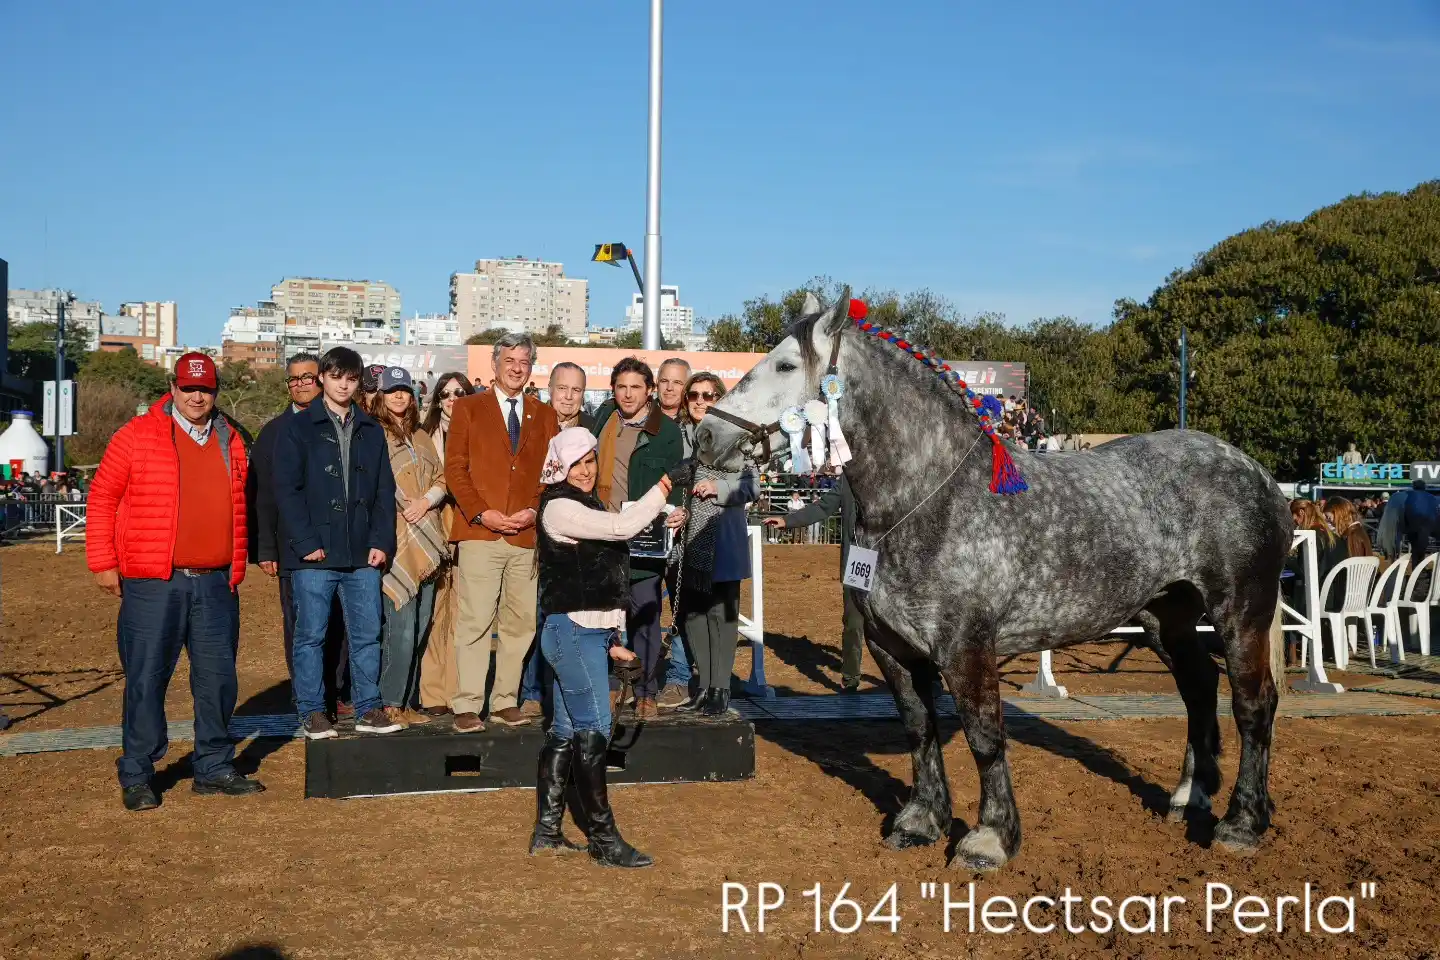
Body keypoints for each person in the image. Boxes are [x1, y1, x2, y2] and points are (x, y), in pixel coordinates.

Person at [86, 351, 263, 811]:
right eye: (188, 387)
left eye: (205, 389)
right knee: (146, 678)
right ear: (174, 386)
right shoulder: (136, 435)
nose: (196, 396)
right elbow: (103, 498)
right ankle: (139, 773)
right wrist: (103, 561)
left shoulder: (232, 438)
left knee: (218, 680)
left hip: (216, 581)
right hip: (154, 581)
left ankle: (215, 766)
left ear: (215, 390)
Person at [531, 427, 677, 868]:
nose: (586, 470)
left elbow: (599, 581)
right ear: (560, 467)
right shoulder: (559, 506)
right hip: (572, 632)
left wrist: (613, 640)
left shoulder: (582, 504)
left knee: (563, 733)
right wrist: (665, 487)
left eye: (590, 461)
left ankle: (547, 832)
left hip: (582, 633)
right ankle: (603, 839)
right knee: (593, 729)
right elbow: (621, 527)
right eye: (577, 463)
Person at [273, 347, 401, 740]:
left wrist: (381, 540)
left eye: (350, 378)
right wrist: (306, 541)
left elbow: (384, 490)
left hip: (363, 552)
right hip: (314, 555)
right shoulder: (296, 428)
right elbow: (286, 490)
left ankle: (368, 708)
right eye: (336, 376)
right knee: (311, 636)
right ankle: (312, 711)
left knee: (366, 635)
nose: (343, 384)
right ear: (322, 379)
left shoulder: (371, 429)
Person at [446, 333, 559, 732]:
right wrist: (481, 514)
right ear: (494, 364)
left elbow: (551, 473)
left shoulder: (544, 415)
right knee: (475, 620)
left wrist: (533, 509)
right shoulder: (468, 408)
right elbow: (455, 469)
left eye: (524, 361)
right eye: (509, 359)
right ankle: (467, 705)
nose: (516, 367)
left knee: (521, 622)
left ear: (531, 368)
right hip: (481, 533)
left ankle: (506, 700)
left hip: (526, 536)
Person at [249, 352, 353, 716]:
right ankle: (306, 695)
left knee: (339, 622)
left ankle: (336, 691)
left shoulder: (346, 422)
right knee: (301, 624)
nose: (300, 384)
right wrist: (265, 548)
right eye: (293, 379)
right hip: (292, 547)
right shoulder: (274, 432)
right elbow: (262, 494)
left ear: (322, 378)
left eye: (306, 377)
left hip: (341, 544)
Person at [590, 358, 687, 719]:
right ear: (613, 389)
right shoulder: (601, 422)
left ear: (649, 390)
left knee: (645, 618)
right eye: (621, 387)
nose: (628, 394)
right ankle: (611, 688)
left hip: (645, 538)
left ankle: (646, 692)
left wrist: (678, 509)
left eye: (635, 387)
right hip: (601, 534)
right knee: (602, 618)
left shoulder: (668, 431)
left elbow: (678, 478)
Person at [675, 373, 757, 715]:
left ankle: (720, 688)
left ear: (719, 399)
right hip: (685, 538)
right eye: (693, 394)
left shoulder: (738, 439)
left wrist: (719, 489)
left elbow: (751, 487)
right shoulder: (676, 435)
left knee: (722, 616)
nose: (700, 400)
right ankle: (704, 686)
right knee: (692, 615)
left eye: (708, 395)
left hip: (722, 538)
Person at [371, 366, 448, 728]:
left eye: (404, 390)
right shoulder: (374, 434)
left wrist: (428, 500)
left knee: (420, 626)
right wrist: (407, 504)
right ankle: (389, 701)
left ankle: (409, 698)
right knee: (398, 628)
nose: (399, 397)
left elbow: (441, 477)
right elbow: (377, 482)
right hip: (397, 540)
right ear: (381, 396)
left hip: (429, 537)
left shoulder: (420, 436)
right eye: (392, 391)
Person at [764, 469, 863, 692]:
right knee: (853, 621)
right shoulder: (848, 477)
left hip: (890, 559)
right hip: (859, 558)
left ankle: (927, 677)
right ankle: (851, 678)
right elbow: (822, 507)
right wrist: (787, 520)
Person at [415, 371, 475, 717]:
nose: (453, 399)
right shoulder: (424, 437)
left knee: (464, 614)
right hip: (433, 527)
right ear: (437, 399)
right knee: (435, 613)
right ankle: (432, 693)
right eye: (446, 393)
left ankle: (458, 692)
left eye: (460, 392)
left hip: (468, 528)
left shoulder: (478, 434)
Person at [1402, 479, 1438, 570]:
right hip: (1426, 526)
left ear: (1414, 486)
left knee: (1415, 548)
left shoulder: (1407, 495)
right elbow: (1435, 512)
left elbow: (1403, 511)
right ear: (1424, 487)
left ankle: (1416, 568)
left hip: (1412, 526)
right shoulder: (1431, 497)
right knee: (1421, 548)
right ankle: (1420, 568)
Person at [547, 361, 592, 431]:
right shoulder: (531, 422)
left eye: (576, 390)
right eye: (562, 388)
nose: (568, 396)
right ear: (550, 389)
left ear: (583, 393)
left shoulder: (594, 428)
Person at [655, 358, 691, 422]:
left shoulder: (695, 420)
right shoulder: (641, 416)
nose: (669, 388)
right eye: (664, 381)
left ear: (687, 386)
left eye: (677, 382)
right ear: (657, 383)